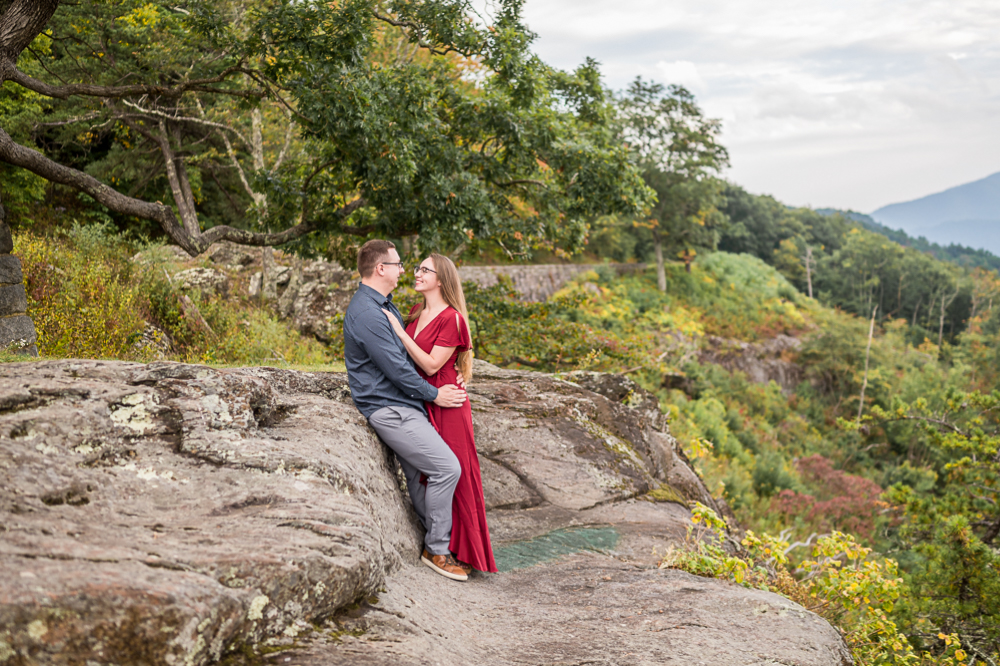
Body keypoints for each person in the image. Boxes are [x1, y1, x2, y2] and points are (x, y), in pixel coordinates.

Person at [343, 240, 471, 582]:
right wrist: (435, 395)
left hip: (402, 405)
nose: (404, 270)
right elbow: (397, 371)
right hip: (391, 407)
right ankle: (437, 549)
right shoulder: (369, 313)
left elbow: (415, 355)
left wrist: (453, 368)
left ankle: (437, 541)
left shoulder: (384, 305)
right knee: (447, 468)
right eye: (398, 264)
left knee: (419, 477)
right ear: (380, 268)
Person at [382, 253, 498, 574]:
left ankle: (459, 551)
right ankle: (439, 543)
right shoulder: (416, 312)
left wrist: (400, 333)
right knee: (425, 473)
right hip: (424, 397)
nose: (416, 273)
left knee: (454, 472)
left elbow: (433, 364)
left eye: (424, 270)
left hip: (448, 403)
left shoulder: (453, 318)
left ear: (441, 280)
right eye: (417, 268)